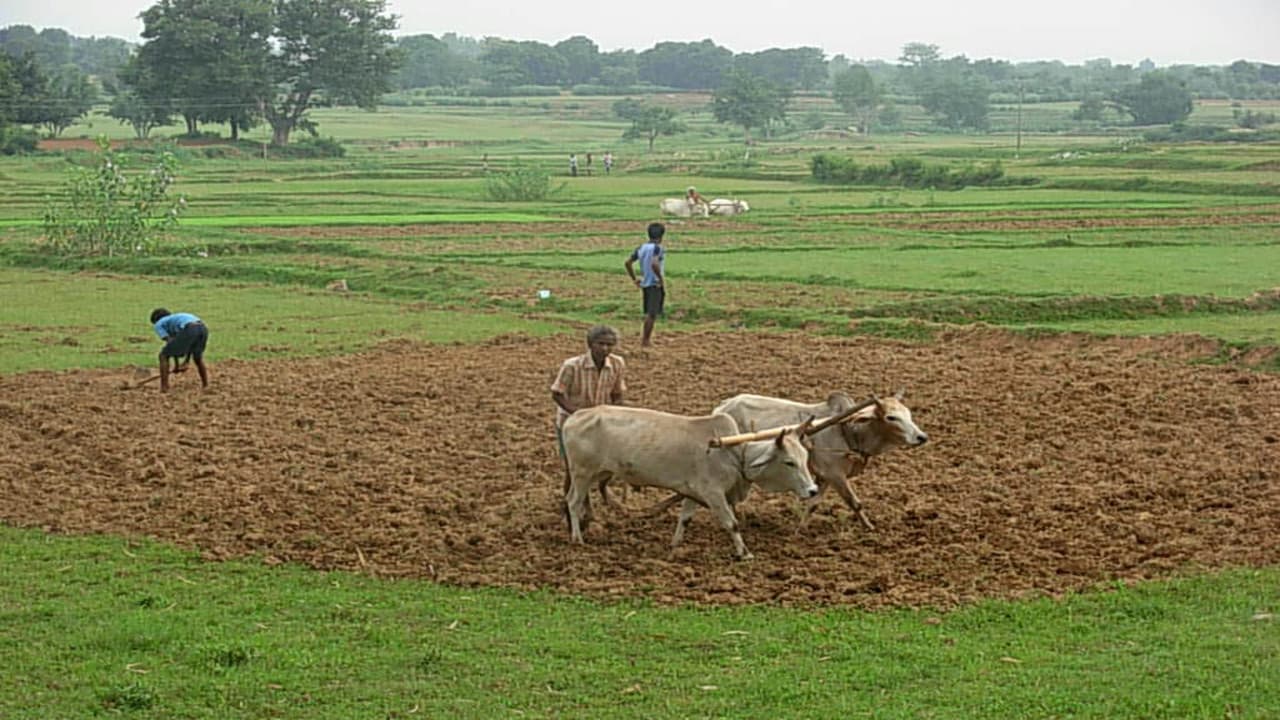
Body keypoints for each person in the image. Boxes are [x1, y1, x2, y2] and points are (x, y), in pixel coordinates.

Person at [551, 325, 626, 487]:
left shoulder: (617, 364)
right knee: (574, 469)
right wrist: (579, 415)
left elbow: (617, 393)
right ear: (590, 344)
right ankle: (570, 503)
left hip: (601, 425)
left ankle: (601, 491)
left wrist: (616, 414)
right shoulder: (572, 366)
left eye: (609, 345)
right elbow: (557, 393)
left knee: (606, 464)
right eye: (601, 344)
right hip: (571, 424)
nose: (605, 348)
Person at [624, 222, 666, 347]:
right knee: (652, 313)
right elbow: (654, 263)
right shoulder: (658, 248)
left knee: (650, 312)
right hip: (654, 283)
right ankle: (645, 340)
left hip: (645, 283)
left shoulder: (641, 248)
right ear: (661, 236)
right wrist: (660, 278)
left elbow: (628, 263)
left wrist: (634, 278)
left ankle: (646, 338)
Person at [149, 308, 210, 392]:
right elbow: (185, 345)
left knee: (163, 355)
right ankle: (205, 385)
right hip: (203, 329)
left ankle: (164, 388)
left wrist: (178, 365)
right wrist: (184, 362)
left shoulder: (159, 324)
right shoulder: (175, 319)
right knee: (197, 358)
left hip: (189, 329)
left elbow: (170, 342)